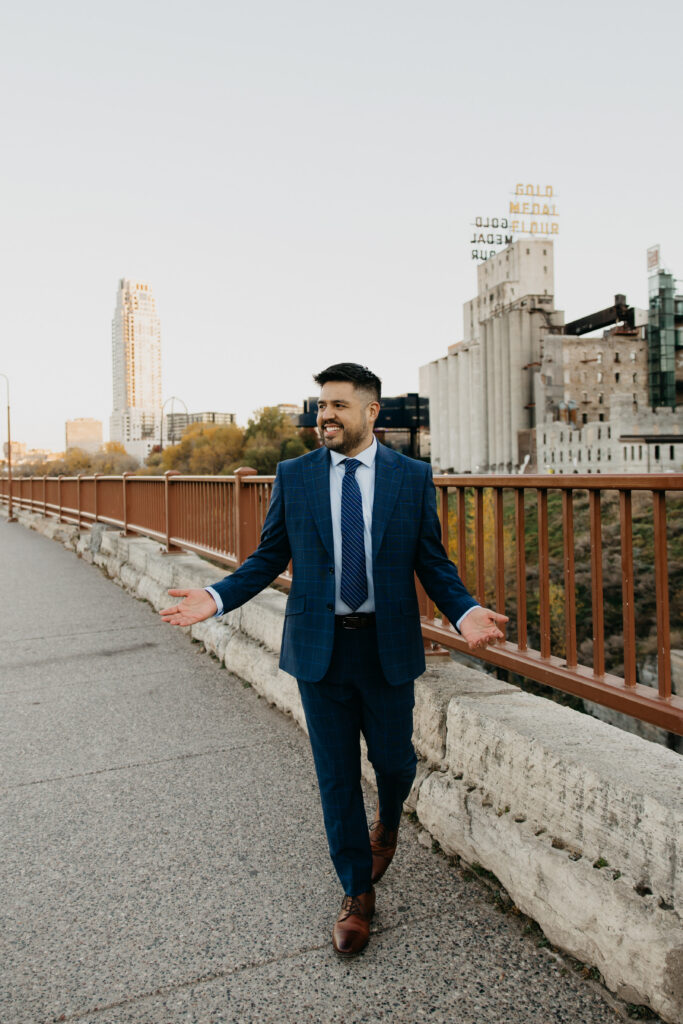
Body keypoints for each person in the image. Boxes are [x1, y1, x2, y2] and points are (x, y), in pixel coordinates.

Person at [160, 363, 507, 957]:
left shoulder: (411, 477)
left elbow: (432, 561)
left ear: (372, 412)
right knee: (337, 776)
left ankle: (390, 822)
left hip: (386, 646)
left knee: (396, 765)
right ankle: (356, 893)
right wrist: (216, 597)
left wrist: (464, 610)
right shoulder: (294, 476)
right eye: (322, 404)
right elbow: (267, 557)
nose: (326, 415)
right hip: (319, 648)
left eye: (340, 405)